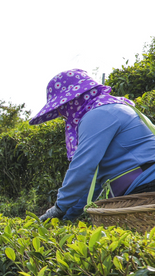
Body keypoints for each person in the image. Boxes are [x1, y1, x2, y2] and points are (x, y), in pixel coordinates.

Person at [30, 69, 155, 221]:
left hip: (147, 185)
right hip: (141, 187)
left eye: (62, 108)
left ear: (73, 100)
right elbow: (93, 180)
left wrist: (59, 207)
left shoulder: (99, 114)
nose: (62, 115)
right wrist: (67, 216)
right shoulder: (110, 107)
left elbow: (83, 167)